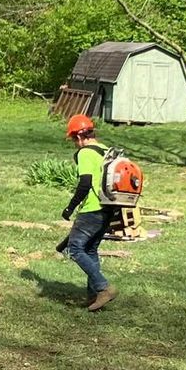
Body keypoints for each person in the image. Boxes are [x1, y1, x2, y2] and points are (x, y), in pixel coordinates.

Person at [58, 113, 117, 311]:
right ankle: (94, 297)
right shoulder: (105, 150)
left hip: (92, 208)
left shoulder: (85, 153)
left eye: (74, 139)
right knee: (90, 250)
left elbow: (84, 183)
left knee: (74, 248)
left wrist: (70, 207)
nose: (75, 144)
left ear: (79, 136)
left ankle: (104, 288)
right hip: (109, 208)